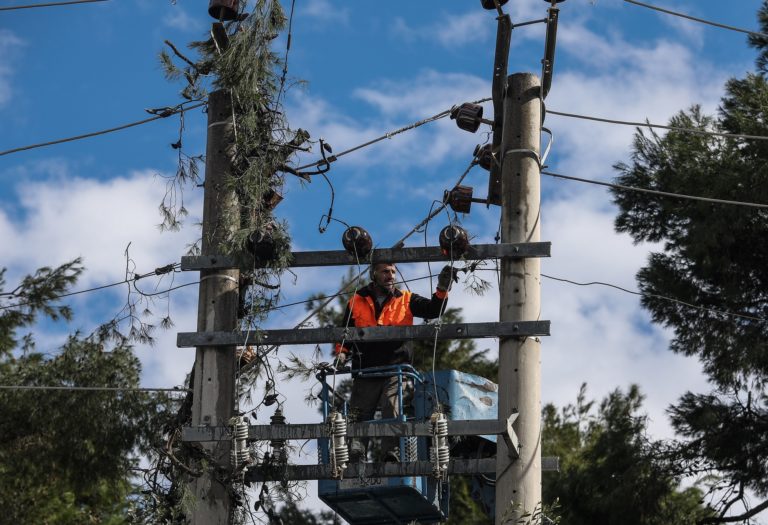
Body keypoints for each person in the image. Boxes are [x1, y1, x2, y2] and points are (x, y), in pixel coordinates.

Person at [334, 262, 457, 462]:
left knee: (392, 408)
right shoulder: (356, 301)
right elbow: (345, 333)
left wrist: (442, 289)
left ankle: (392, 452)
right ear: (374, 274)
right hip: (366, 369)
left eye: (393, 272)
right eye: (385, 271)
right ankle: (356, 451)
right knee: (360, 412)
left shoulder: (406, 299)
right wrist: (341, 353)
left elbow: (434, 310)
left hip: (395, 368)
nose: (390, 276)